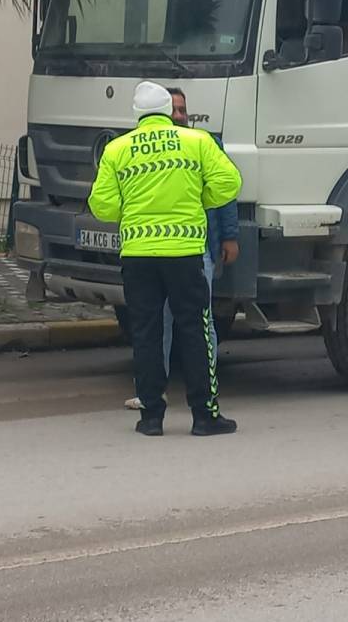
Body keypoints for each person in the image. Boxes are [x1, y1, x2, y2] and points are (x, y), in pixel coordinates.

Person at [90, 82, 242, 437]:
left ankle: (151, 417)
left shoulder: (117, 150)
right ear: (166, 111)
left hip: (139, 256)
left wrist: (131, 210)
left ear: (137, 114)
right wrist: (199, 197)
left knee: (146, 332)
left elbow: (101, 206)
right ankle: (205, 416)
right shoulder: (197, 142)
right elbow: (229, 183)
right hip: (185, 253)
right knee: (196, 329)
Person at [124, 87, 239, 409]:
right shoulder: (146, 150)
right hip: (162, 251)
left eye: (182, 109)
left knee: (201, 323)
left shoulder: (203, 144)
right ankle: (154, 393)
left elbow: (228, 192)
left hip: (198, 249)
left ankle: (205, 389)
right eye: (173, 108)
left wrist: (229, 236)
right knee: (160, 324)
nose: (178, 115)